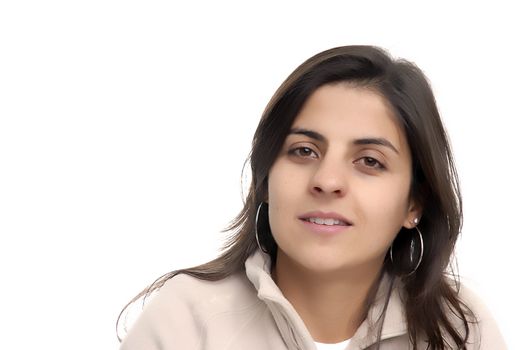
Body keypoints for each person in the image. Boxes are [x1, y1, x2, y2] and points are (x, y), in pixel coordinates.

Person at [116, 45, 506, 349]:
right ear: (265, 180)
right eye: (303, 151)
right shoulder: (184, 319)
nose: (327, 180)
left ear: (414, 204)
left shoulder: (462, 330)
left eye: (369, 161)